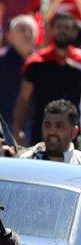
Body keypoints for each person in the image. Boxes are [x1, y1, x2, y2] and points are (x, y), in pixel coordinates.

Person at [13, 12, 81, 147]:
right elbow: (23, 99)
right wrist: (17, 127)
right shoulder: (37, 62)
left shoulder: (79, 62)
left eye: (67, 28)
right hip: (42, 128)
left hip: (72, 130)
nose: (63, 31)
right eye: (59, 27)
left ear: (74, 32)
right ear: (52, 30)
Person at [0, 15, 37, 144]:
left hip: (32, 128)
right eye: (22, 30)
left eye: (30, 30)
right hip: (0, 127)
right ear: (10, 36)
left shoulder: (39, 62)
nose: (27, 34)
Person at [9, 99, 81, 164]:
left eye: (59, 126)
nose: (52, 131)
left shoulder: (78, 163)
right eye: (47, 125)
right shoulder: (25, 161)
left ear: (74, 132)